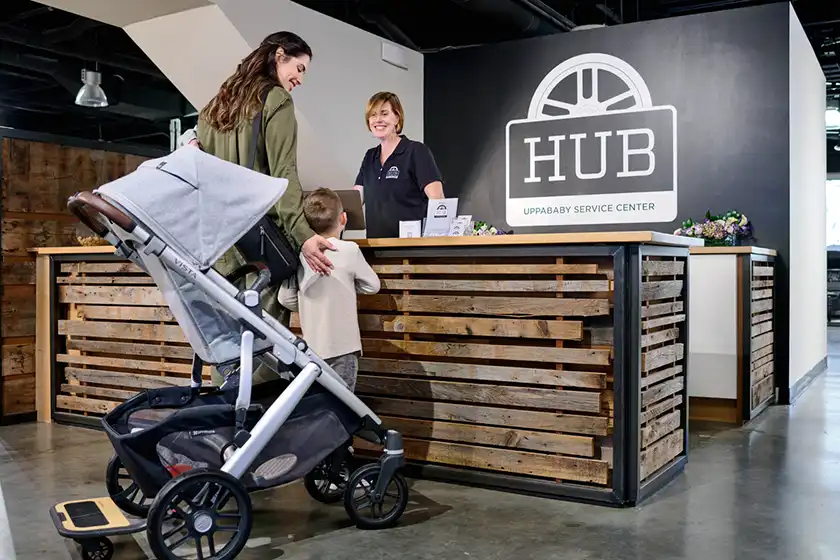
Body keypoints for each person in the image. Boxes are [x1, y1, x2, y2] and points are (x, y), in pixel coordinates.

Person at [193, 31, 335, 277]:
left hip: (216, 243)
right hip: (258, 243)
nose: (300, 79)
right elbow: (284, 175)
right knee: (260, 314)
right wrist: (304, 235)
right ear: (280, 55)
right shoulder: (277, 100)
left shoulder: (215, 106)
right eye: (299, 68)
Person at [277, 188, 380, 391]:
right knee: (344, 402)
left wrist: (308, 301)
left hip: (312, 348)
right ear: (343, 218)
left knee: (320, 402)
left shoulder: (301, 254)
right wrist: (348, 289)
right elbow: (373, 285)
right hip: (344, 348)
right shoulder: (350, 250)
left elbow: (284, 298)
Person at [353, 91, 445, 238]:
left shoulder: (416, 151)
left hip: (411, 248)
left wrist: (435, 240)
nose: (378, 120)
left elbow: (437, 198)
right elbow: (355, 200)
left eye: (384, 114)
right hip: (376, 248)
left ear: (397, 117)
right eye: (373, 115)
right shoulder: (370, 156)